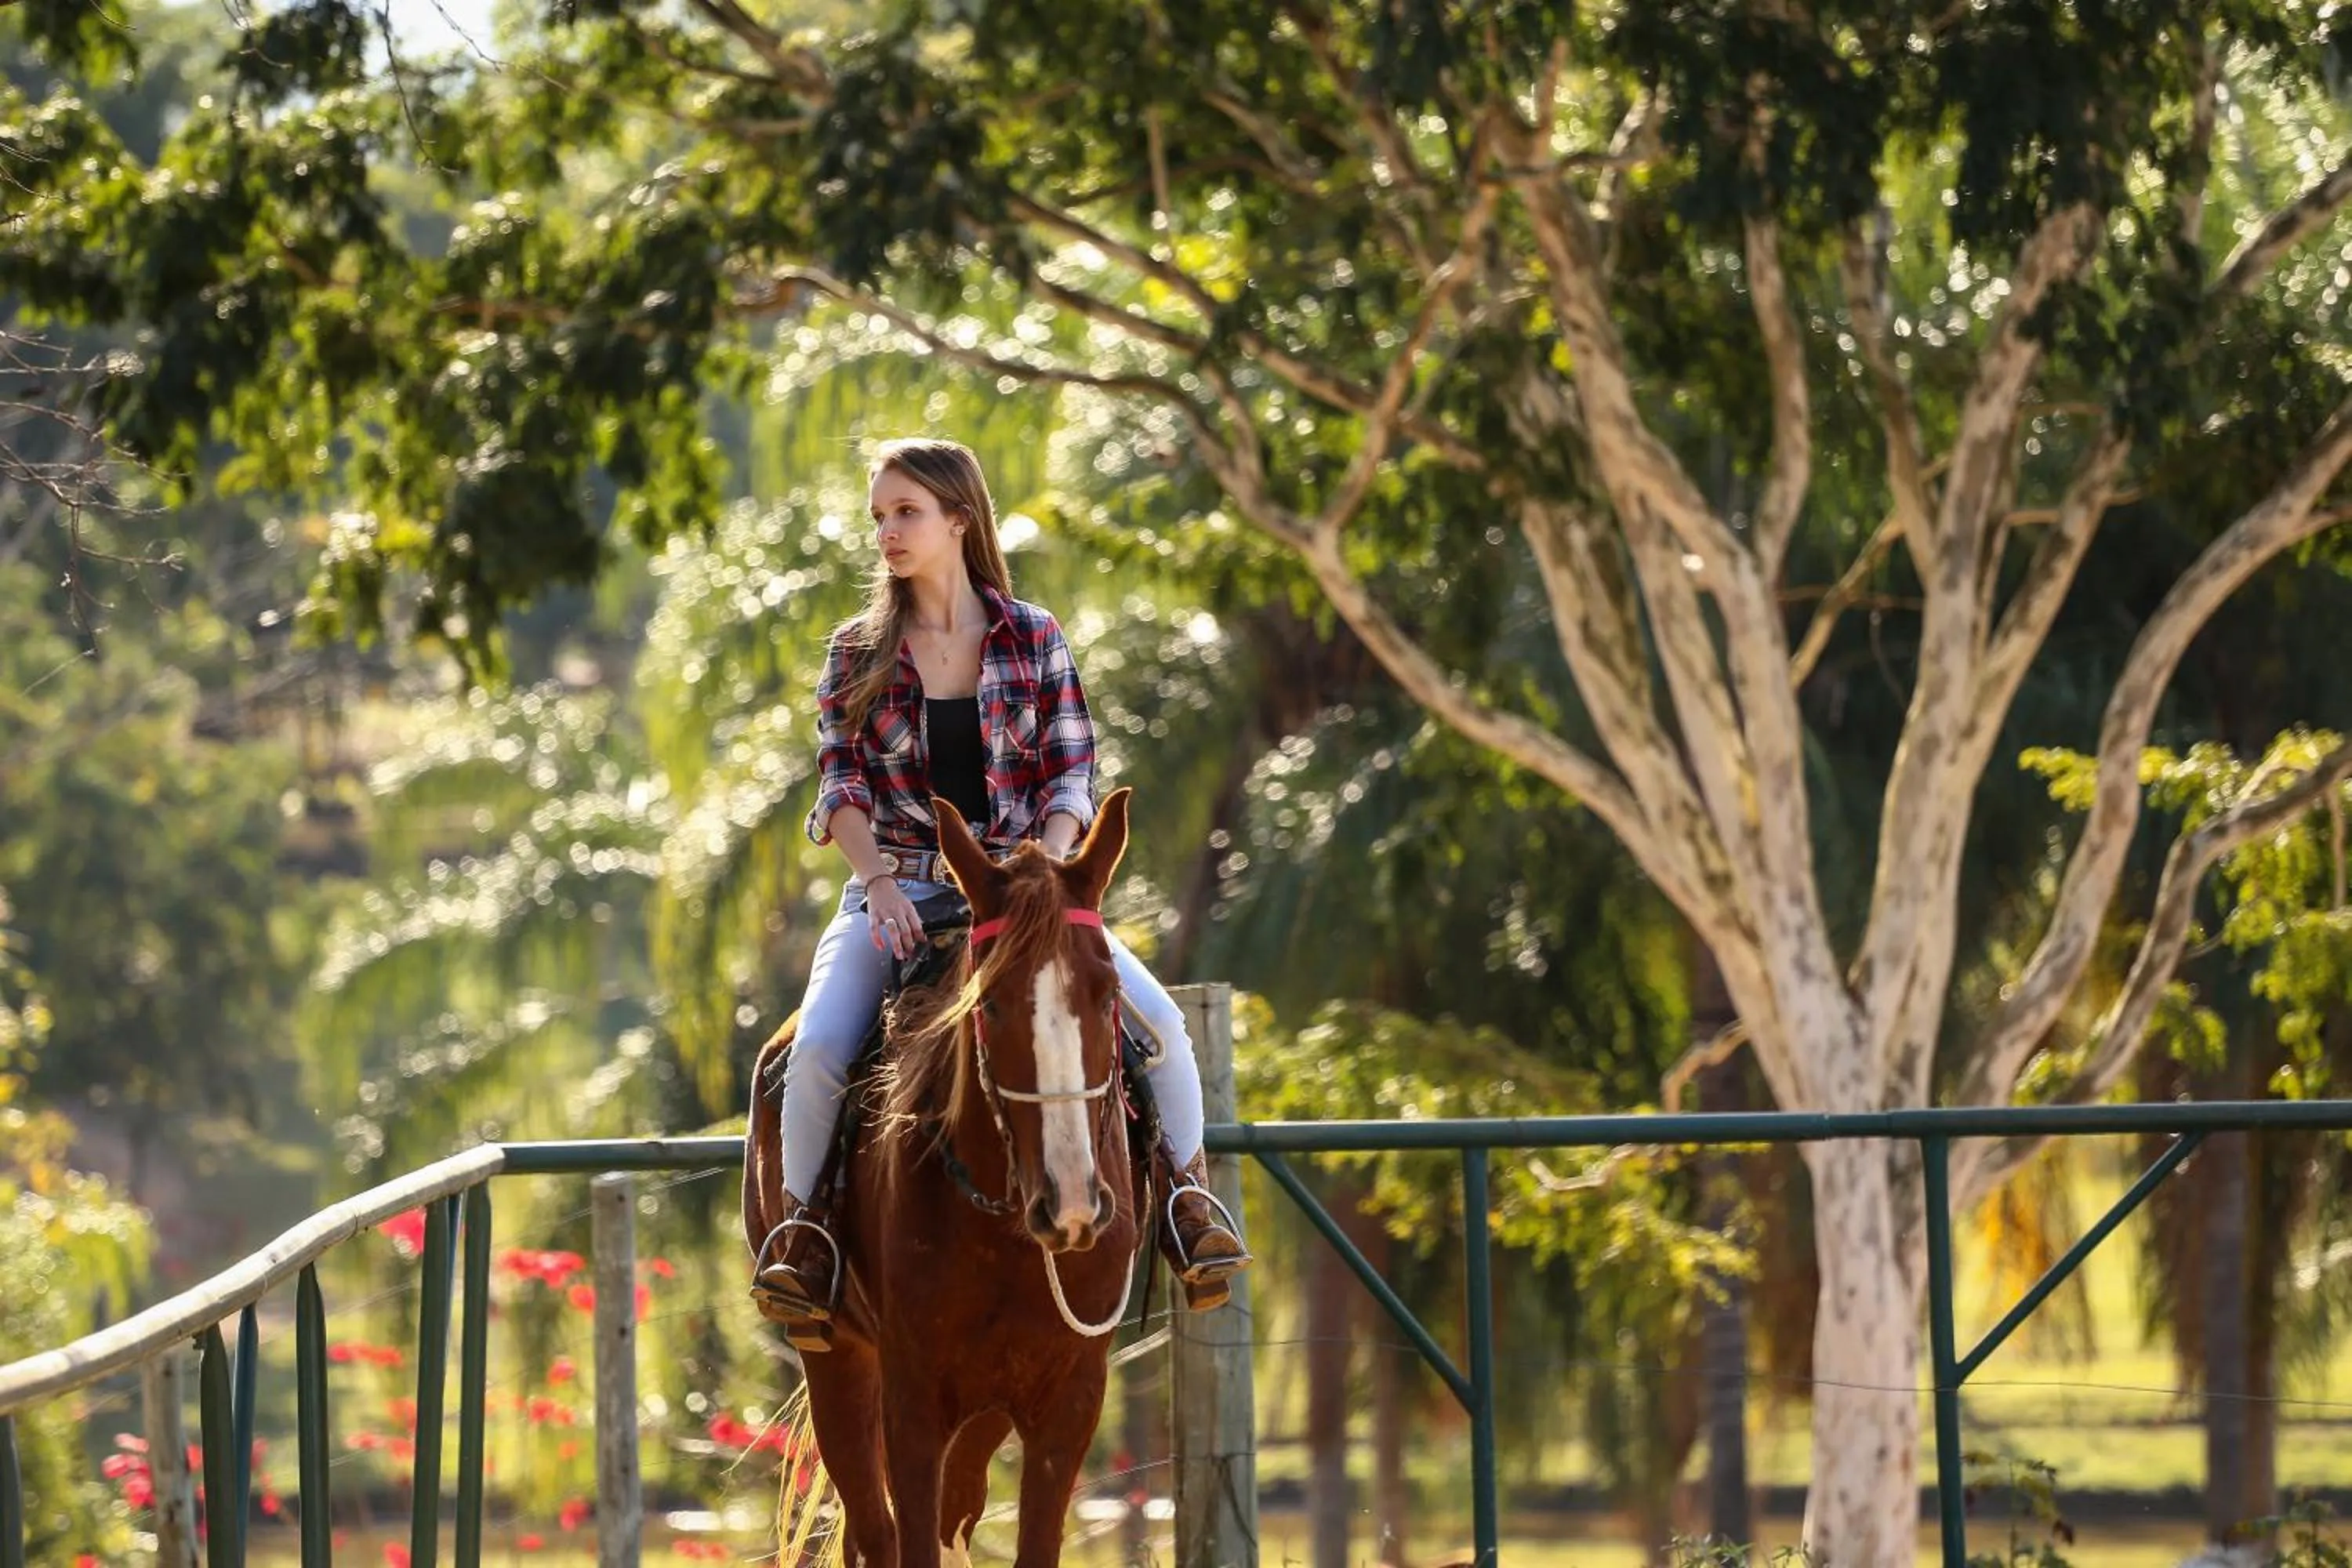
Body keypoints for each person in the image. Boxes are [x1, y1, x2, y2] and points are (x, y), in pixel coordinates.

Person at [751, 437, 1249, 1344]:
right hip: (894, 892)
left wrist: (1046, 881)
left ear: (958, 519)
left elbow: (1070, 778)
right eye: (879, 517)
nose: (888, 533)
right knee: (815, 1051)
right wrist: (877, 883)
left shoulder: (1034, 636)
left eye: (905, 513)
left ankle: (1187, 1204)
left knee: (1162, 1030)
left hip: (1026, 902)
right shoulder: (857, 650)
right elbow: (841, 786)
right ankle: (806, 1238)